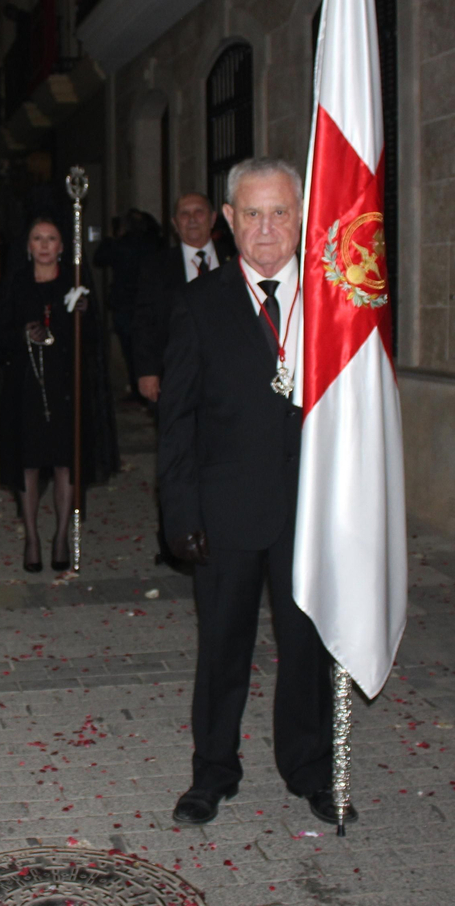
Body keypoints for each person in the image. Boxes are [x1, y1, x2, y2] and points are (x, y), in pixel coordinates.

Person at [157, 157, 349, 828]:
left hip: (310, 513)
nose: (267, 228)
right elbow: (176, 420)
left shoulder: (335, 300)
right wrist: (179, 514)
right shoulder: (198, 303)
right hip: (225, 512)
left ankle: (311, 770)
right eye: (253, 213)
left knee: (307, 651)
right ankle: (212, 772)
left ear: (301, 218)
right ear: (229, 219)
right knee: (222, 652)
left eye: (281, 213)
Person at [0, 216, 118, 573]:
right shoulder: (16, 283)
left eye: (51, 239)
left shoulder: (76, 284)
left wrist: (82, 315)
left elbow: (92, 344)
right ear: (28, 246)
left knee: (65, 463)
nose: (44, 245)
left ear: (62, 246)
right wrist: (22, 334)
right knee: (28, 462)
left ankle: (61, 535)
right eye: (37, 238)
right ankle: (31, 535)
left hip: (65, 387)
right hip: (25, 388)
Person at [133, 191, 237, 569]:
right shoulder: (157, 267)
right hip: (176, 380)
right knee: (178, 457)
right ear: (174, 224)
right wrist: (146, 371)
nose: (192, 220)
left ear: (214, 219)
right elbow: (143, 321)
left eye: (198, 213)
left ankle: (222, 530)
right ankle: (175, 540)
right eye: (183, 215)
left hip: (227, 383)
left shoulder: (236, 262)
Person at [92, 209, 159, 399]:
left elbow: (99, 258)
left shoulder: (123, 245)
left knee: (131, 349)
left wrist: (111, 238)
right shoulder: (152, 243)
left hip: (127, 304)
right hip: (141, 303)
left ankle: (137, 387)